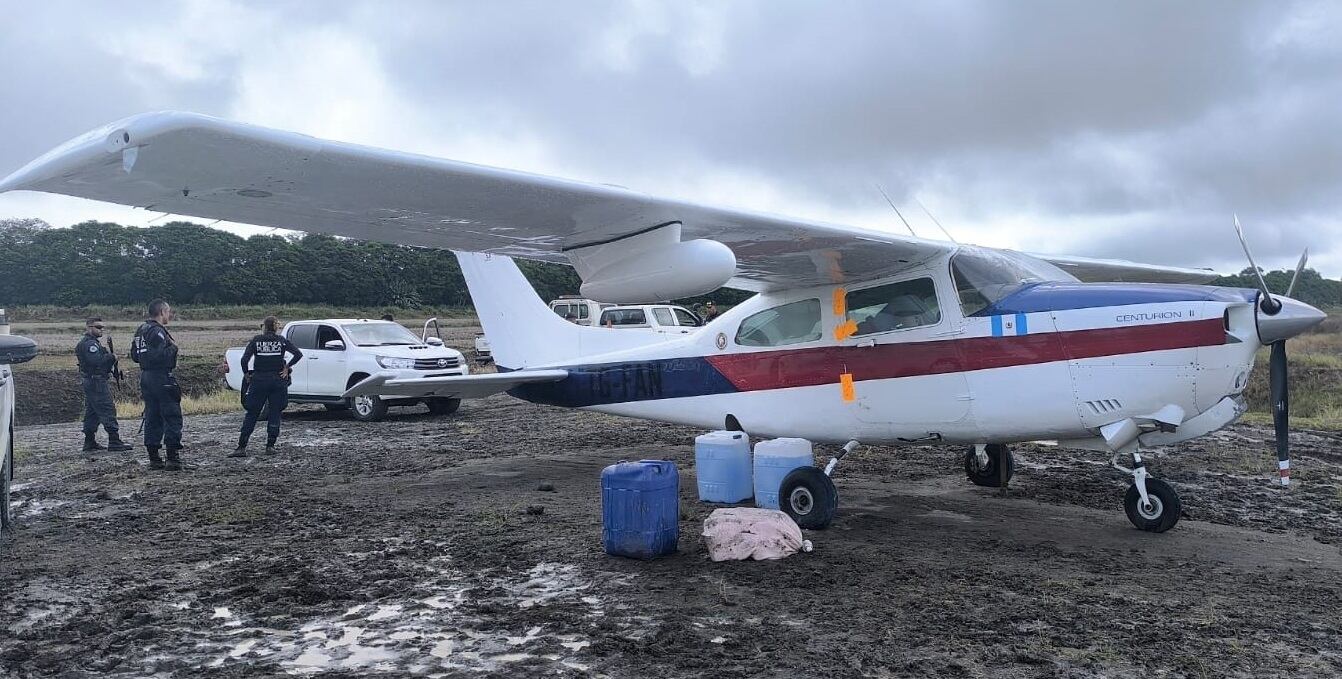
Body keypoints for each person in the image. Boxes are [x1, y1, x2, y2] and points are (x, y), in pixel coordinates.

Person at [231, 316, 303, 457]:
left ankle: (241, 447)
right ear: (276, 327)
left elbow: (244, 359)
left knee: (252, 413)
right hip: (278, 381)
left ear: (264, 326)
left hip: (259, 380)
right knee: (275, 412)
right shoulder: (281, 341)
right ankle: (270, 446)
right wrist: (287, 367)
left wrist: (246, 374)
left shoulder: (256, 341)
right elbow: (298, 354)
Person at [131, 299, 183, 470]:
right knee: (171, 415)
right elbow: (158, 356)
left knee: (152, 416)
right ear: (162, 312)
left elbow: (135, 355)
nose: (169, 315)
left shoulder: (141, 330)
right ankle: (172, 457)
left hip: (146, 377)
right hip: (161, 376)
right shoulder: (157, 332)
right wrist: (173, 349)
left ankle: (154, 457)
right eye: (168, 312)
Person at [75, 318, 132, 453]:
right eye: (98, 327)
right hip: (96, 381)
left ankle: (89, 441)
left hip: (92, 380)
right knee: (107, 409)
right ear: (89, 327)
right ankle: (114, 440)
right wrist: (112, 357)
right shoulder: (90, 344)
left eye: (102, 327)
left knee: (92, 412)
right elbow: (96, 361)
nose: (101, 330)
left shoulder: (92, 343)